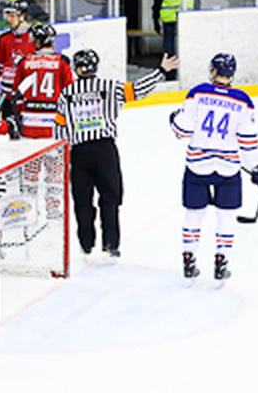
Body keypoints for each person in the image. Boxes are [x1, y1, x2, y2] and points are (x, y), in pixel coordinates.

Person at [52, 48, 176, 257]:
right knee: (110, 198)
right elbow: (138, 90)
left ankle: (86, 242)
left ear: (76, 68)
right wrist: (160, 71)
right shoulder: (109, 87)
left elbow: (59, 127)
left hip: (79, 153)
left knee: (82, 200)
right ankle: (111, 242)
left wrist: (60, 155)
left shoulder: (67, 93)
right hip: (105, 150)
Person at [170, 54, 258, 282]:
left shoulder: (198, 93)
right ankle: (222, 262)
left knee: (194, 214)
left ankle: (189, 260)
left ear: (212, 70)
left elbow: (182, 131)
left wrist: (173, 118)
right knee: (226, 217)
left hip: (197, 166)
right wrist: (257, 167)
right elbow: (248, 141)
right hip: (228, 168)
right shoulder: (243, 100)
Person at [10, 23, 73, 139]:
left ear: (38, 42)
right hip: (54, 124)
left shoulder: (24, 62)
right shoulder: (62, 63)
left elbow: (16, 96)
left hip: (29, 124)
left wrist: (18, 119)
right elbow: (70, 94)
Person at [151, 0, 197, 75]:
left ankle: (187, 74)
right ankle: (170, 76)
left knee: (186, 49)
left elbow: (197, 2)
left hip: (186, 21)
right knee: (170, 51)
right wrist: (156, 22)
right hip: (169, 21)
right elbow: (157, 2)